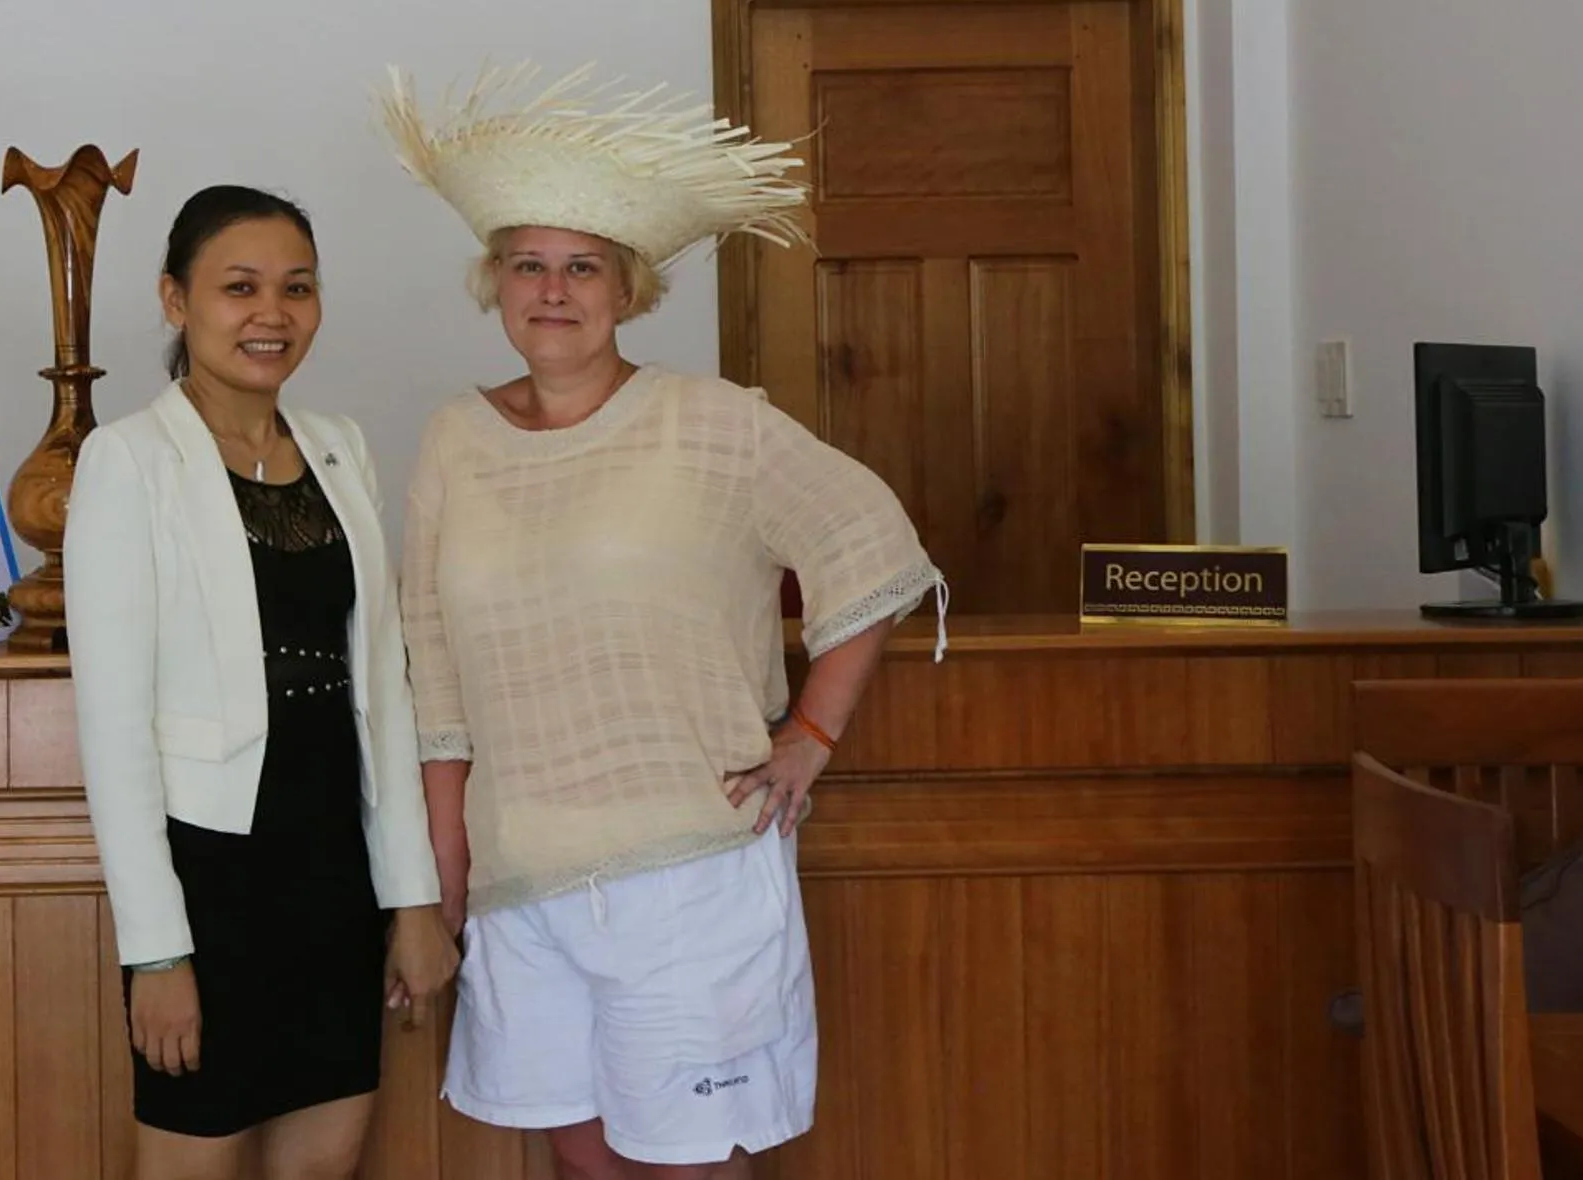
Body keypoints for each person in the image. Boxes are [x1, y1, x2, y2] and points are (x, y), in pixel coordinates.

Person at [379, 68, 945, 1180]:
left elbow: (868, 538)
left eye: (582, 265)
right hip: (519, 879)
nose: (553, 288)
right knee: (584, 1159)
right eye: (529, 263)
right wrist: (442, 882)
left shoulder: (711, 422)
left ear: (628, 289)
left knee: (687, 1164)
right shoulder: (454, 435)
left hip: (686, 869)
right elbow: (433, 671)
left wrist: (812, 737)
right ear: (493, 280)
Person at [65, 185, 458, 1180]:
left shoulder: (340, 446)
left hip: (334, 863)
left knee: (325, 1160)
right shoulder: (127, 461)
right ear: (174, 298)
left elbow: (387, 687)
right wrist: (155, 952)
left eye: (297, 287)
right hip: (214, 873)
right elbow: (112, 731)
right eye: (238, 287)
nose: (271, 313)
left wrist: (412, 898)